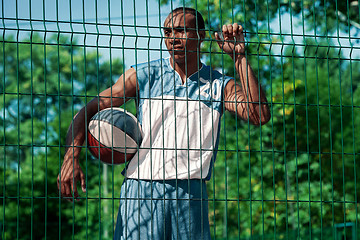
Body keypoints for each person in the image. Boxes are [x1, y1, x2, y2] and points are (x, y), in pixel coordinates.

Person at [57, 7, 270, 240]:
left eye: (181, 31)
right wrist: (71, 157)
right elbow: (89, 108)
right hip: (141, 190)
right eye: (167, 32)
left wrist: (239, 57)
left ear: (201, 35)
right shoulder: (143, 75)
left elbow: (258, 115)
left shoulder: (219, 84)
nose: (172, 38)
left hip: (190, 194)